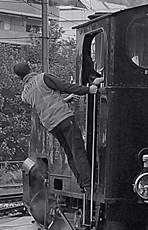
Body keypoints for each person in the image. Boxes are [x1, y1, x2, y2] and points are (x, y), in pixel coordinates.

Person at [14, 61, 98, 189]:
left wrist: (65, 100)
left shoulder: (25, 95)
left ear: (19, 77)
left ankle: (83, 184)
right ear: (30, 69)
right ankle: (89, 183)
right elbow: (65, 87)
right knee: (78, 150)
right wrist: (88, 90)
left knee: (69, 153)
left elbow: (43, 103)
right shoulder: (43, 78)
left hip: (52, 126)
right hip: (64, 118)